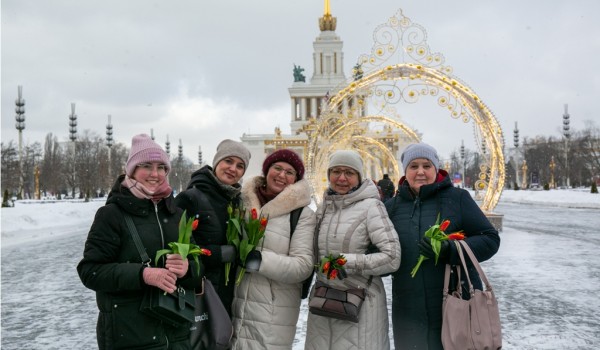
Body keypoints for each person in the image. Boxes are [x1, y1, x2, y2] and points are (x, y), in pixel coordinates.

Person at [77, 134, 201, 350]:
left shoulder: (177, 215)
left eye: (161, 167)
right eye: (146, 166)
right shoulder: (111, 214)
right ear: (132, 170)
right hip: (129, 336)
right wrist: (142, 275)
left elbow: (199, 267)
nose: (155, 173)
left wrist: (188, 269)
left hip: (176, 335)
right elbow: (90, 271)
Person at [385, 142, 500, 350]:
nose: (420, 172)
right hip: (408, 313)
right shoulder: (391, 207)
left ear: (436, 169)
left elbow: (490, 238)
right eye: (414, 166)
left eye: (427, 166)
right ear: (405, 171)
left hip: (456, 304)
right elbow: (380, 249)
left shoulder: (457, 199)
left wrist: (451, 249)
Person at [304, 150, 401, 350]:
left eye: (349, 173)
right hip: (324, 303)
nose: (341, 178)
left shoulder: (371, 207)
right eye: (336, 171)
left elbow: (392, 257)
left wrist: (347, 262)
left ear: (359, 177)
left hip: (360, 304)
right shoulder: (324, 208)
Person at [231, 149, 316, 350]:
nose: (281, 175)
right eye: (277, 168)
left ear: (296, 179)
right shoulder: (242, 203)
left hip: (273, 312)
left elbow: (303, 266)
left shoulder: (302, 215)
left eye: (289, 172)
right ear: (266, 170)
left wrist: (259, 260)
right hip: (235, 305)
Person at [174, 139, 251, 317]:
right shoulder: (191, 197)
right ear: (217, 162)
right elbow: (179, 247)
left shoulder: (238, 202)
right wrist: (221, 254)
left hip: (229, 294)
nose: (233, 169)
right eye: (228, 161)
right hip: (200, 292)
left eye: (240, 166)